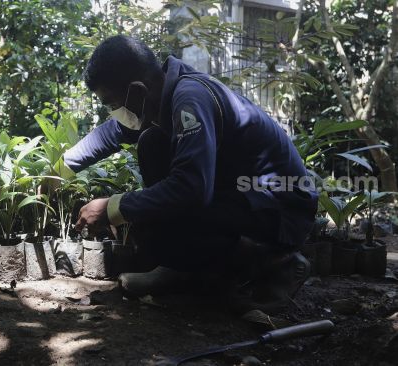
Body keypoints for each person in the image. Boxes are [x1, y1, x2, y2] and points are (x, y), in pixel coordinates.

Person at [67, 35, 317, 313]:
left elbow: (190, 189)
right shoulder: (159, 94)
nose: (114, 112)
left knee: (150, 211)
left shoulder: (190, 98)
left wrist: (114, 206)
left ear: (137, 91)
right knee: (152, 146)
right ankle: (184, 270)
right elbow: (113, 133)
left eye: (112, 104)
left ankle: (277, 262)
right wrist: (61, 169)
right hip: (246, 196)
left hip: (282, 209)